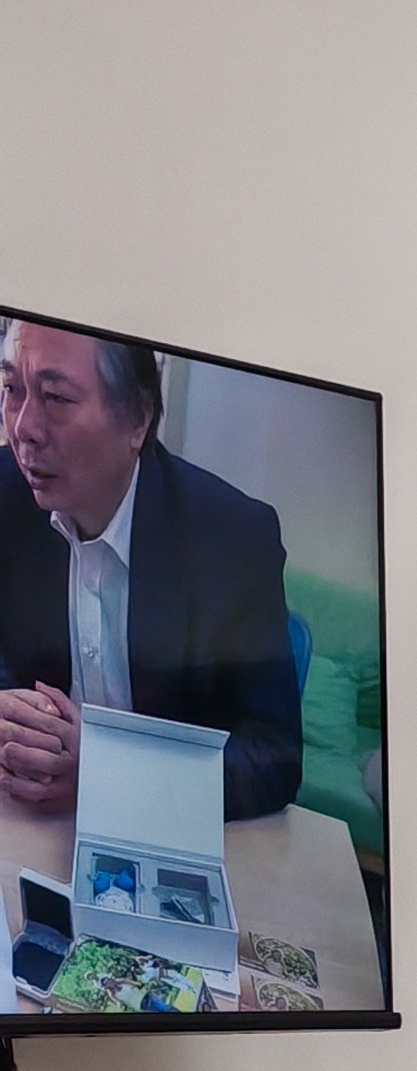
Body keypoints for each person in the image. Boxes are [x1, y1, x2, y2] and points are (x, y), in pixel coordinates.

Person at [0, 319, 301, 819]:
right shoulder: (5, 497)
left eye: (55, 398)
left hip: (164, 823)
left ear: (137, 420)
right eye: (12, 389)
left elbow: (274, 758)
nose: (23, 428)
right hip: (32, 816)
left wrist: (107, 771)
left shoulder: (232, 538)